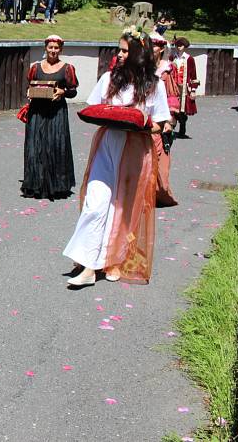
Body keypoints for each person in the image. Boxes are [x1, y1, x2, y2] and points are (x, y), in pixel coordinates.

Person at [64, 29, 172, 287]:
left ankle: (114, 259)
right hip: (107, 144)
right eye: (119, 50)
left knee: (123, 208)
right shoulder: (109, 79)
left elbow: (162, 124)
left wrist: (142, 124)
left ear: (138, 53)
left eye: (125, 50)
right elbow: (94, 107)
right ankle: (89, 265)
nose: (120, 55)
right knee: (96, 201)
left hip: (136, 148)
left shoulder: (153, 85)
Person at [21, 35, 78, 200]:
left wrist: (63, 92)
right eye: (50, 47)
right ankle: (35, 184)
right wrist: (29, 93)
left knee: (54, 145)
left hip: (56, 112)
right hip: (37, 111)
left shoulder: (67, 68)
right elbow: (30, 85)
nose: (53, 51)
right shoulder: (36, 67)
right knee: (35, 146)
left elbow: (73, 90)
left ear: (61, 49)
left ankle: (56, 185)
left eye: (56, 48)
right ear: (45, 48)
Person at [150, 32, 177, 207]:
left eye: (154, 46)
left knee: (159, 159)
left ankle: (157, 192)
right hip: (144, 118)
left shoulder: (165, 72)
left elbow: (171, 97)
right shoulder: (141, 67)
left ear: (161, 49)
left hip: (159, 120)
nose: (150, 49)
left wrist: (169, 120)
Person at [170, 36, 197, 137]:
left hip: (184, 87)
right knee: (172, 106)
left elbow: (193, 74)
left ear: (184, 46)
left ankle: (182, 126)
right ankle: (171, 128)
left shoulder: (189, 59)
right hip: (173, 86)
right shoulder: (172, 57)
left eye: (181, 45)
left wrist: (193, 90)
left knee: (182, 109)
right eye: (177, 45)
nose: (179, 47)